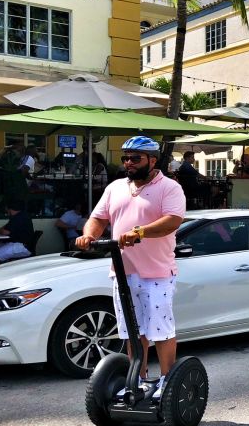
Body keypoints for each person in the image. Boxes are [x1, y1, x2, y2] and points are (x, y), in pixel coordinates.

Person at [75, 136, 186, 401]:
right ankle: (137, 378)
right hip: (123, 271)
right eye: (125, 158)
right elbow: (98, 218)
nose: (129, 163)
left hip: (157, 272)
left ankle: (166, 381)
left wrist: (141, 232)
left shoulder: (169, 188)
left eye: (135, 158)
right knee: (132, 331)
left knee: (161, 329)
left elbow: (173, 221)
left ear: (152, 160)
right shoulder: (115, 187)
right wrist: (88, 236)